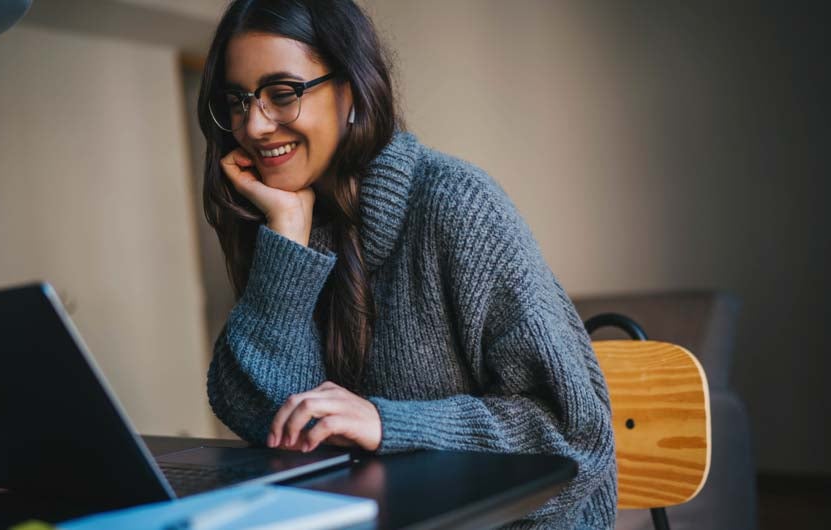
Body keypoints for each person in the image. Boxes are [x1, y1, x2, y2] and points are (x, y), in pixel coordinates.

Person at [199, 0, 616, 527]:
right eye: (237, 101)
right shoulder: (288, 223)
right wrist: (287, 237)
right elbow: (272, 424)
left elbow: (574, 435)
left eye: (282, 93)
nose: (254, 125)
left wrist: (387, 424)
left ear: (351, 89)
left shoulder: (456, 205)